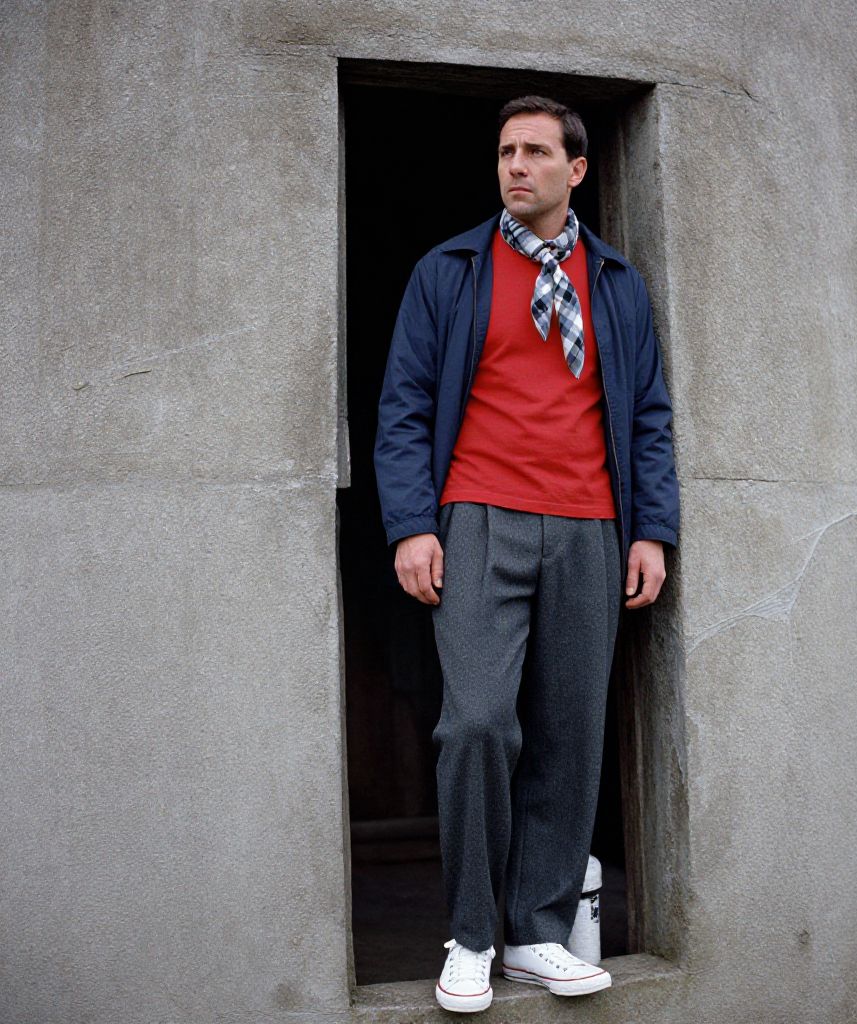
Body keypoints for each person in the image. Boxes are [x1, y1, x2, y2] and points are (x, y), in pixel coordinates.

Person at [374, 94, 680, 1014]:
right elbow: (404, 406)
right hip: (478, 519)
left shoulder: (617, 283)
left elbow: (651, 421)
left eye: (537, 152)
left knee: (569, 737)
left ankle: (538, 932)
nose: (516, 166)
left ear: (576, 170)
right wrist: (411, 524)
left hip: (592, 527)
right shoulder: (450, 271)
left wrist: (652, 531)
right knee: (475, 723)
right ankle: (473, 934)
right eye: (506, 151)